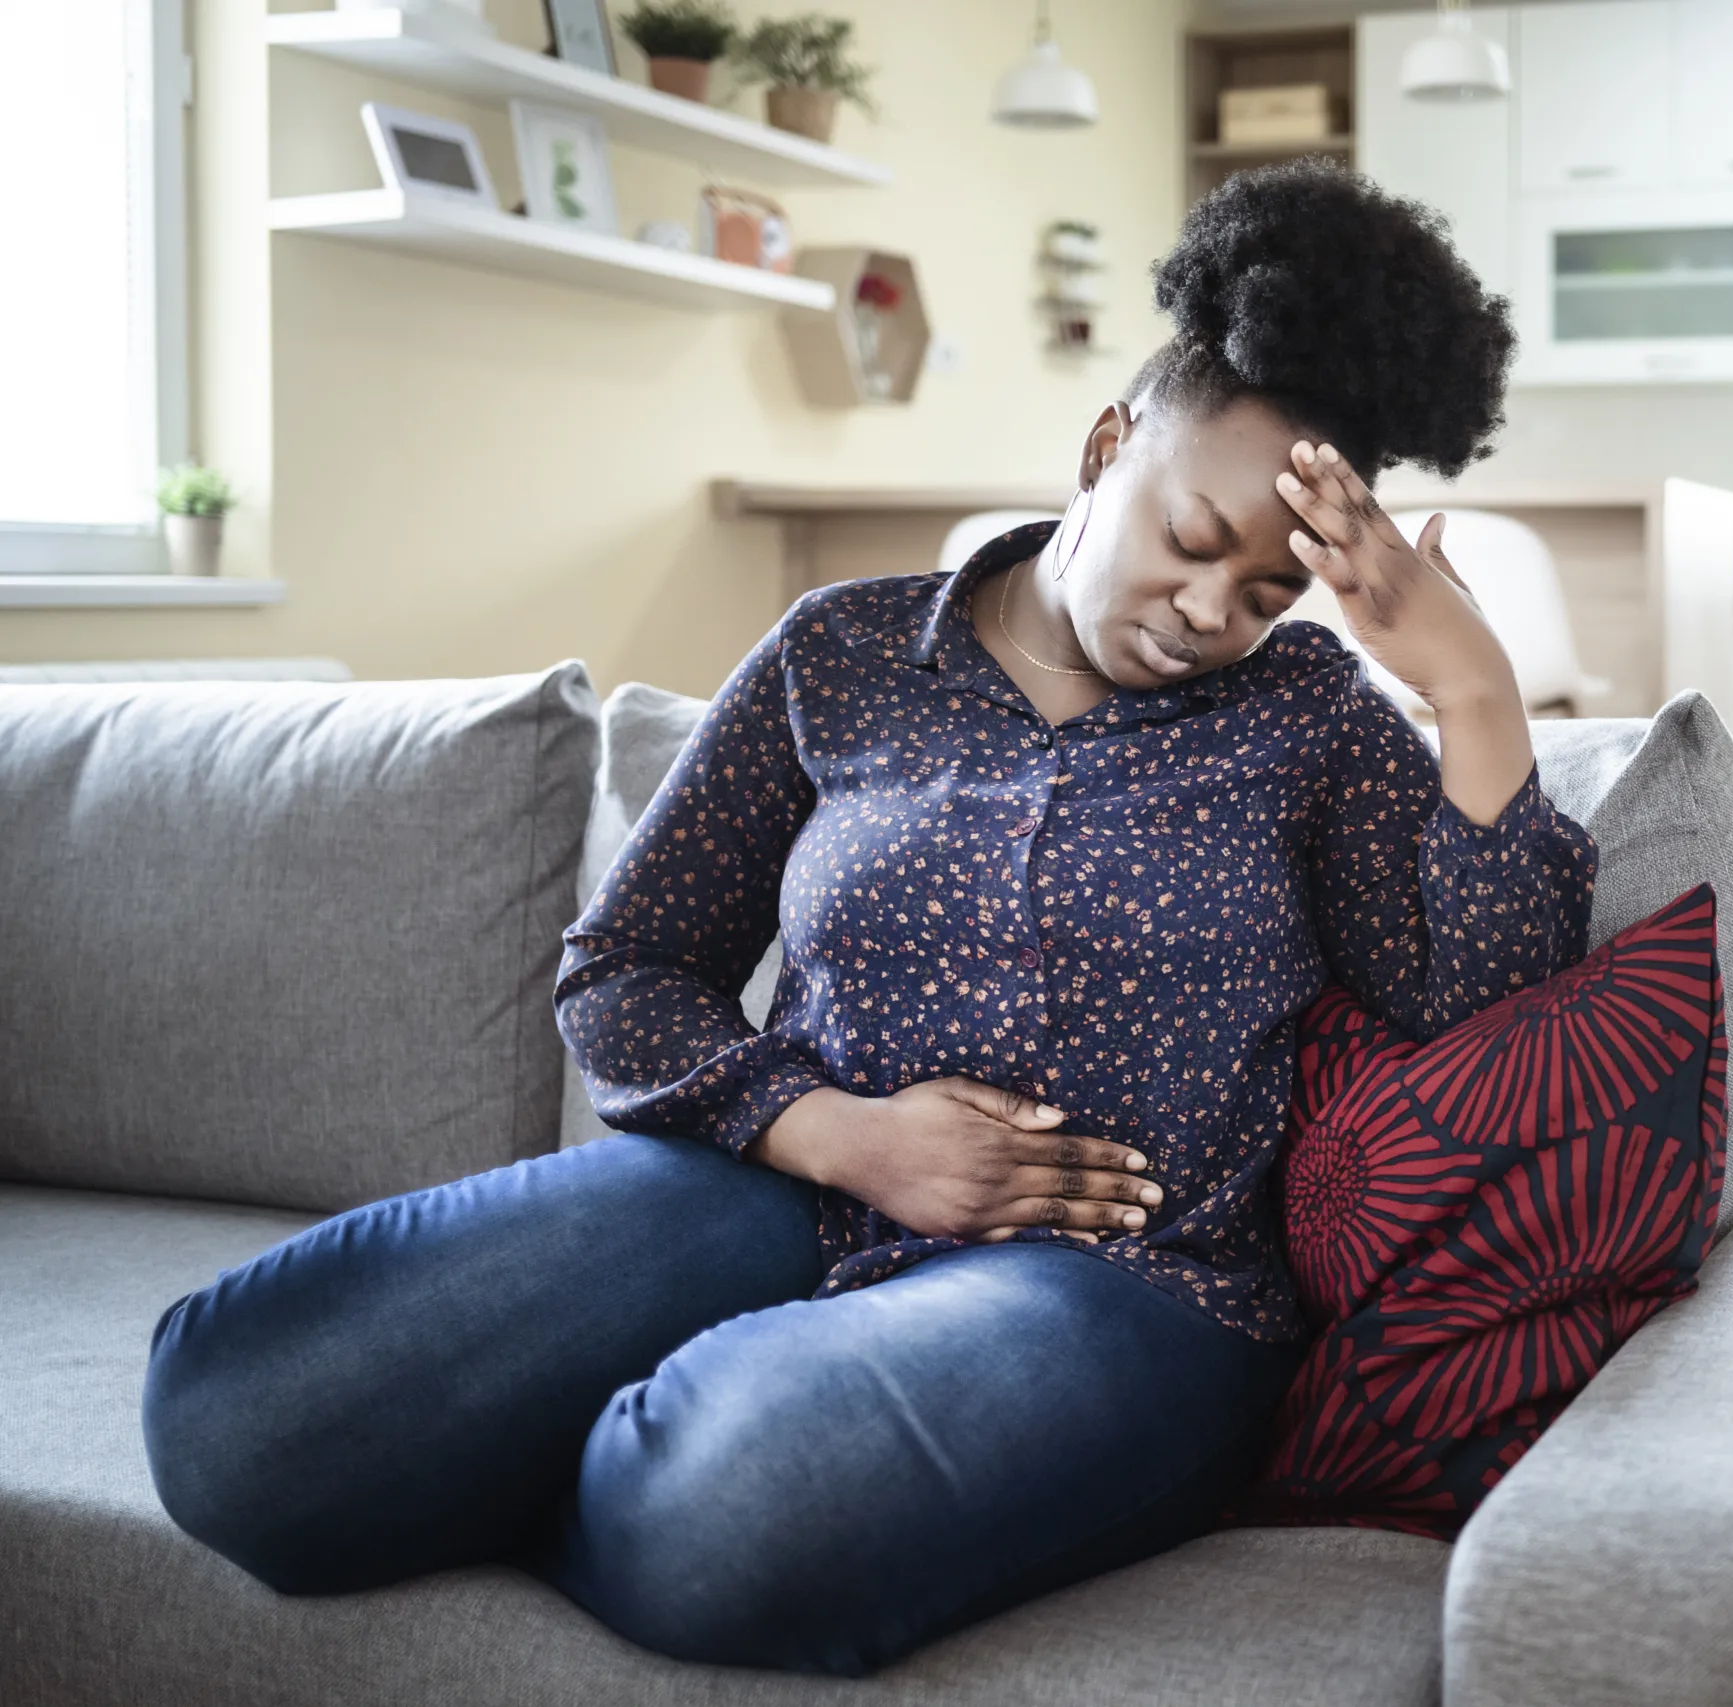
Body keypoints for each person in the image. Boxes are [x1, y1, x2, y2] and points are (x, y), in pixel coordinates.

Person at [138, 159, 1596, 1678]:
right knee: (235, 1413)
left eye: (1266, 590)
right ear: (1106, 446)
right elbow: (627, 969)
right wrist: (838, 1133)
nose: (1208, 610)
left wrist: (1471, 691)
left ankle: (569, 1472)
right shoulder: (840, 652)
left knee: (722, 1511)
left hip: (1125, 1287)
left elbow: (1486, 1006)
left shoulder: (1308, 721)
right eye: (1193, 534)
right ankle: (588, 1443)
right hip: (773, 1194)